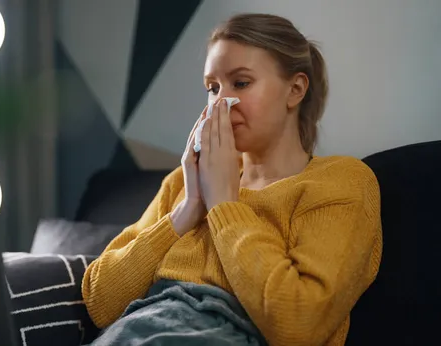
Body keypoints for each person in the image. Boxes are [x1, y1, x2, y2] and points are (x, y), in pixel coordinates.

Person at [82, 13, 382, 346]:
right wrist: (187, 209)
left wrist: (225, 204)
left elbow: (299, 324)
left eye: (240, 83)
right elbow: (100, 302)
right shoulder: (185, 182)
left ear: (295, 89)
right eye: (212, 88)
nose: (220, 103)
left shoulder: (341, 181)